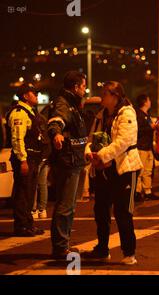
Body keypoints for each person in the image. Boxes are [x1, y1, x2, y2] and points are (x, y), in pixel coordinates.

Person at [85, 81, 143, 265]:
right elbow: (92, 136)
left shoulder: (127, 113)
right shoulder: (102, 114)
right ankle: (102, 249)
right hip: (104, 169)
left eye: (105, 93)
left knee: (123, 212)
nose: (102, 96)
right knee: (100, 209)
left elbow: (123, 142)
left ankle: (129, 252)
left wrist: (101, 155)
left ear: (115, 95)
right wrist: (89, 152)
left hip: (125, 168)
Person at [48, 71, 88, 259]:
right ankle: (61, 247)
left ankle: (63, 244)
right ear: (75, 87)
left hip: (74, 160)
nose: (85, 89)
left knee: (68, 205)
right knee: (66, 205)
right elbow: (57, 120)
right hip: (68, 161)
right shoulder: (64, 103)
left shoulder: (72, 103)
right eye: (83, 86)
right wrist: (56, 133)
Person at [6, 83, 45, 236]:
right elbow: (17, 139)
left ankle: (28, 224)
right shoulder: (19, 113)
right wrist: (23, 160)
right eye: (33, 93)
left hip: (32, 158)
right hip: (25, 159)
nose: (36, 95)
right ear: (25, 96)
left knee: (29, 193)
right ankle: (21, 225)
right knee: (23, 193)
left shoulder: (30, 112)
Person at [134, 94, 159, 201]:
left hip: (148, 147)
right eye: (149, 100)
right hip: (141, 147)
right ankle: (137, 192)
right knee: (140, 171)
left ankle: (148, 191)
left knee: (148, 171)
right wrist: (150, 128)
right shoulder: (138, 115)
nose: (150, 102)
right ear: (144, 102)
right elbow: (137, 130)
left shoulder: (147, 115)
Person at [32, 106, 51, 219]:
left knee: (34, 183)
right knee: (42, 184)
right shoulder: (43, 119)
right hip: (46, 154)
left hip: (38, 154)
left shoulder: (33, 119)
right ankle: (42, 209)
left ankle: (33, 209)